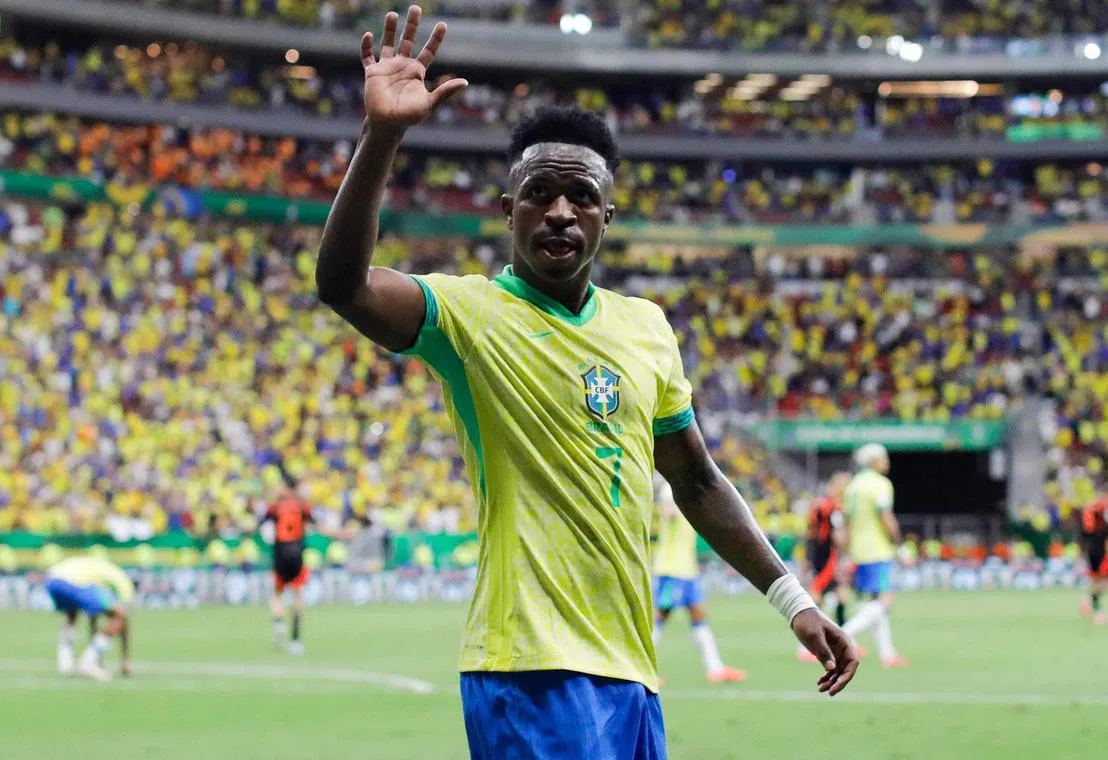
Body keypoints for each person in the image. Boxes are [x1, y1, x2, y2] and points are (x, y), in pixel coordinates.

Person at [315, 8, 857, 757]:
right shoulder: (469, 313)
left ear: (608, 214)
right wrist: (382, 137)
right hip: (529, 668)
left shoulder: (646, 327)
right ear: (508, 210)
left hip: (632, 672)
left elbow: (697, 482)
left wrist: (792, 599)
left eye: (581, 196)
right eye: (539, 193)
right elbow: (344, 287)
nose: (560, 211)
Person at [651, 480, 746, 684]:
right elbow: (669, 511)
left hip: (687, 568)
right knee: (660, 616)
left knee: (699, 615)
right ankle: (644, 668)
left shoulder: (687, 487)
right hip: (671, 568)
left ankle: (715, 668)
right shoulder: (671, 488)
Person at [838, 444, 909, 668]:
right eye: (883, 457)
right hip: (877, 550)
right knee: (886, 602)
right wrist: (900, 546)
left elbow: (847, 523)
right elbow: (886, 518)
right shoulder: (880, 485)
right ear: (874, 461)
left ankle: (887, 654)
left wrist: (847, 552)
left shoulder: (853, 486)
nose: (887, 461)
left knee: (874, 601)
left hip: (858, 551)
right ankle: (840, 636)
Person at [797, 471, 857, 663]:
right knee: (816, 597)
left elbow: (809, 532)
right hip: (827, 558)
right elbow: (837, 538)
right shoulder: (833, 508)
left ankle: (845, 640)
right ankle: (806, 645)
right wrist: (847, 551)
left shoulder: (819, 505)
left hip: (817, 555)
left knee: (841, 594)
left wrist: (806, 557)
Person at [45, 556, 134, 682]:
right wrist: (126, 659)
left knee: (72, 613)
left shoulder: (93, 570)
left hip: (52, 581)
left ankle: (65, 662)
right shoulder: (119, 579)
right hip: (74, 582)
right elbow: (124, 617)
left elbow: (93, 618)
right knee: (120, 616)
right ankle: (89, 662)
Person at [262, 484, 313, 654]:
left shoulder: (274, 507)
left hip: (280, 552)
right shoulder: (302, 506)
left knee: (277, 594)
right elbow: (311, 523)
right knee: (298, 595)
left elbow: (263, 526)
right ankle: (296, 639)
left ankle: (278, 622)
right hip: (297, 552)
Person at [1078, 492, 1108, 625]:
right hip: (1100, 550)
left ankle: (1092, 605)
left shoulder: (1089, 510)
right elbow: (1107, 530)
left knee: (1097, 581)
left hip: (1092, 550)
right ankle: (1096, 609)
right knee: (1105, 582)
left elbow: (1085, 532)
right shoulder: (1103, 510)